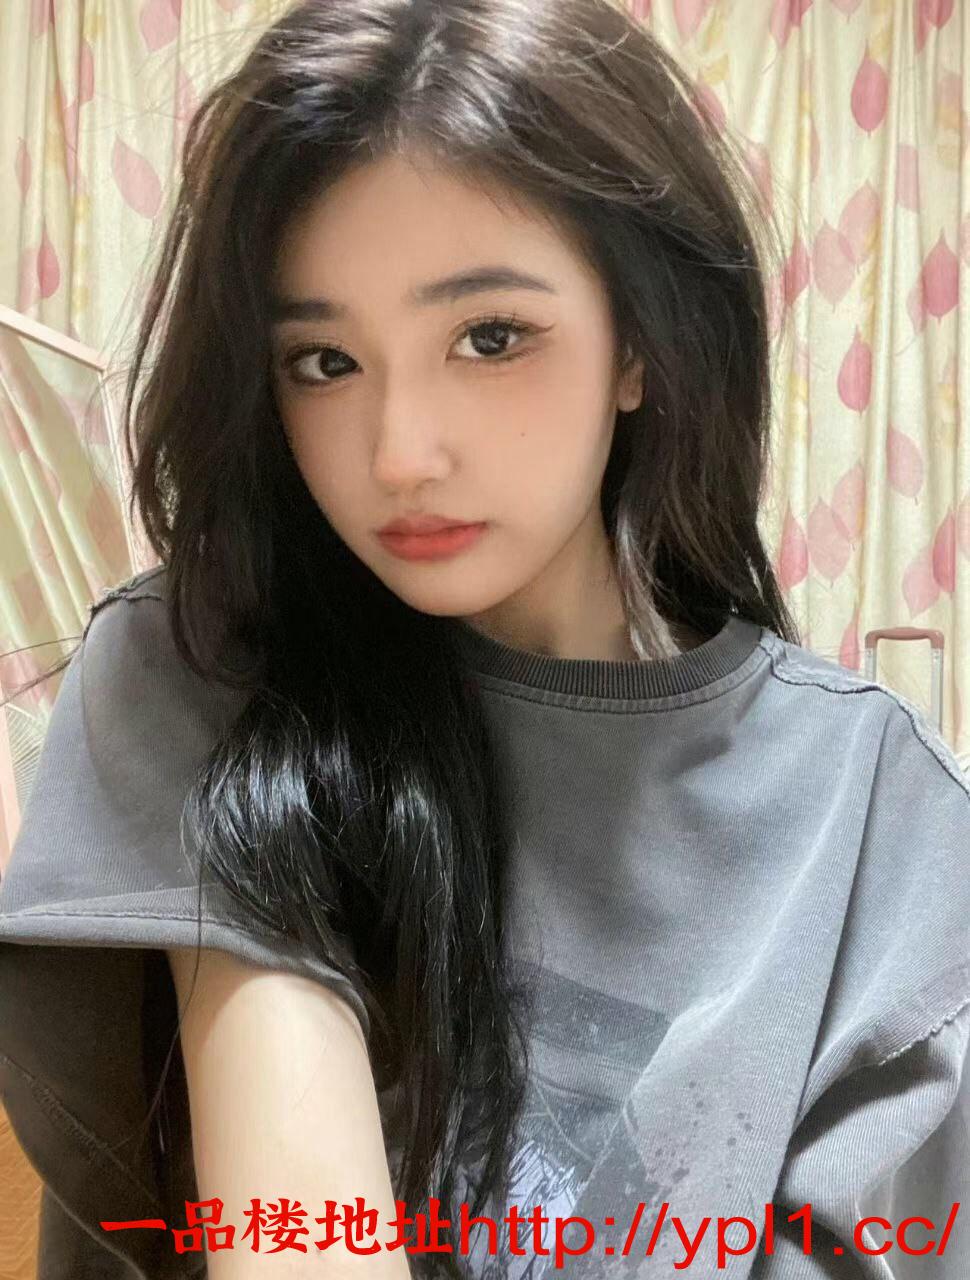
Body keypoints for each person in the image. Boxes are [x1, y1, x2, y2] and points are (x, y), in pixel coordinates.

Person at [1, 0, 968, 1276]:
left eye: (490, 336)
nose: (400, 453)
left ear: (640, 343)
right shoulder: (200, 673)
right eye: (322, 360)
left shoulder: (882, 825)